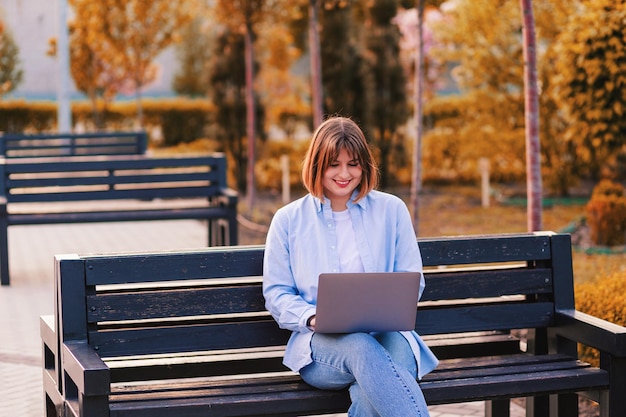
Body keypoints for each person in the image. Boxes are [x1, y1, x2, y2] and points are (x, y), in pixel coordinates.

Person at [263, 116, 438, 417]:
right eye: (334, 164)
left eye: (353, 164)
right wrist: (314, 317)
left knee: (371, 387)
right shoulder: (288, 220)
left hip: (388, 335)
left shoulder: (392, 210)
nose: (344, 174)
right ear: (317, 165)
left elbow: (412, 279)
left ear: (365, 166)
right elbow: (277, 293)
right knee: (361, 348)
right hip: (321, 348)